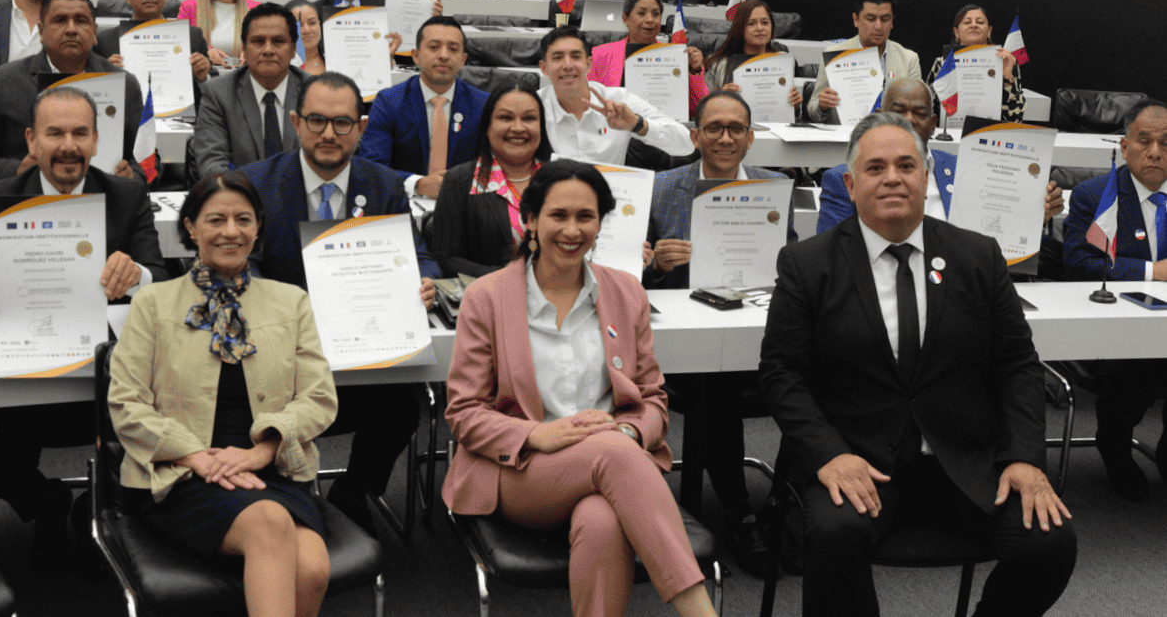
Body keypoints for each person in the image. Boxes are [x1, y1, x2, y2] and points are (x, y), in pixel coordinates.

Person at [759, 112, 1076, 617]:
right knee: (834, 539)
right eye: (875, 167)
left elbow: (1018, 364)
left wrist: (1024, 458)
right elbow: (781, 373)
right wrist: (828, 455)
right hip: (858, 462)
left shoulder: (978, 256)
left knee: (1050, 542)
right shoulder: (808, 264)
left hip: (965, 461)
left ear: (926, 177)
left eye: (906, 165)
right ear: (850, 182)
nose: (892, 178)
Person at [443, 160, 718, 617]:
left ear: (600, 224)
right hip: (521, 472)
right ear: (530, 220)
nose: (572, 230)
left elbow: (652, 398)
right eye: (558, 215)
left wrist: (630, 434)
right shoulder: (487, 297)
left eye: (585, 217)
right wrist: (535, 435)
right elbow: (464, 411)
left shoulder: (626, 291)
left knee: (602, 517)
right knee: (610, 452)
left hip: (611, 464)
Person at [109, 169, 340, 617]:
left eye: (243, 219)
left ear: (258, 229)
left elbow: (319, 397)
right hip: (180, 474)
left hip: (272, 469)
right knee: (271, 527)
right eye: (215, 220)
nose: (230, 231)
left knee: (311, 570)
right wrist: (199, 458)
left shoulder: (290, 301)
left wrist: (258, 454)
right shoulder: (152, 303)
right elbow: (125, 404)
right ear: (191, 228)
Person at [0, 87, 167, 553]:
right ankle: (42, 498)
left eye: (79, 133)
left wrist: (137, 274)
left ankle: (95, 503)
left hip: (101, 372)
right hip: (20, 363)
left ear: (95, 141)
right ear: (31, 141)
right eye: (54, 133)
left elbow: (164, 279)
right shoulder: (0, 195)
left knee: (160, 411)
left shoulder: (126, 195)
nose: (68, 145)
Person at [238, 72, 438, 531]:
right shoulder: (255, 183)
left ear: (362, 129)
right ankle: (283, 496)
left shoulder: (384, 185)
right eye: (317, 120)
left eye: (343, 123)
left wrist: (423, 280)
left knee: (403, 406)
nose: (329, 134)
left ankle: (353, 492)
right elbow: (242, 265)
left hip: (362, 350)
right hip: (284, 357)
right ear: (295, 122)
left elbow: (418, 254)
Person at [642, 91, 794, 573]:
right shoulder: (662, 187)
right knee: (718, 387)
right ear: (695, 135)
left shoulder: (775, 186)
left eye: (735, 129)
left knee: (818, 381)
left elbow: (791, 269)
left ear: (751, 138)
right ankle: (741, 512)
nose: (725, 138)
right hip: (692, 346)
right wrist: (659, 267)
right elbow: (631, 279)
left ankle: (780, 506)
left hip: (760, 331)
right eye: (713, 128)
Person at [1059, 98, 1167, 500]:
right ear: (1125, 147)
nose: (1155, 151)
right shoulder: (1094, 195)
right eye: (1145, 141)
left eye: (1166, 142)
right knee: (1139, 368)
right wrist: (1149, 272)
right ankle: (1115, 445)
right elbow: (1078, 262)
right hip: (1117, 328)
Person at [813, 78, 1066, 235]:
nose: (909, 120)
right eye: (898, 110)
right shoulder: (842, 178)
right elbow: (831, 255)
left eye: (919, 113)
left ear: (933, 124)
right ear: (879, 114)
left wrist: (1032, 215)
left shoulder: (962, 169)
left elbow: (991, 236)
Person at [0, 0, 143, 187]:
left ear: (94, 32)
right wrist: (17, 171)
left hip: (105, 201)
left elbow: (148, 158)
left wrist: (133, 177)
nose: (71, 29)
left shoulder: (125, 83)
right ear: (41, 31)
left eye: (81, 21)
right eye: (60, 20)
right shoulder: (4, 81)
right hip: (28, 203)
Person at [429, 81, 550, 278]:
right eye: (505, 118)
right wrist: (505, 280)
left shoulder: (561, 180)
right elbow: (446, 258)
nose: (518, 128)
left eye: (529, 118)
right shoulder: (459, 181)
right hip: (491, 298)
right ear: (487, 126)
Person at [359, 16, 488, 197]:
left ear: (463, 60)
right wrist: (417, 184)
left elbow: (496, 167)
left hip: (465, 204)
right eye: (434, 47)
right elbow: (371, 167)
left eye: (453, 49)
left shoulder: (483, 105)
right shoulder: (389, 102)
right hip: (403, 203)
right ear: (416, 56)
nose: (443, 55)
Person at [536, 27, 691, 164]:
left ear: (588, 64)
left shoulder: (619, 100)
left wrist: (638, 124)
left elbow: (687, 145)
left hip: (611, 194)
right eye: (557, 58)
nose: (568, 65)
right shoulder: (533, 107)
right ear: (544, 68)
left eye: (576, 57)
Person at [189, 3, 308, 179]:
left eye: (278, 41)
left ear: (293, 49)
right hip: (240, 199)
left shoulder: (315, 92)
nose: (268, 50)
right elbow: (212, 163)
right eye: (258, 41)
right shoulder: (218, 93)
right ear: (243, 48)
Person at [805, 0, 921, 123]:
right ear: (856, 19)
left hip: (891, 138)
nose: (878, 26)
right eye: (871, 19)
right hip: (844, 139)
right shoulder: (835, 56)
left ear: (892, 21)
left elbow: (918, 111)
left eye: (885, 19)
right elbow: (813, 110)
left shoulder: (909, 59)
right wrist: (822, 106)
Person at [586, 0, 709, 116]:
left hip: (661, 129)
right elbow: (588, 101)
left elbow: (701, 109)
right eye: (641, 13)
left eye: (656, 14)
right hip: (613, 128)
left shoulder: (673, 56)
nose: (650, 20)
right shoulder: (600, 54)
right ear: (625, 19)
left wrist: (695, 70)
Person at [94, 0, 212, 83]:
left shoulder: (193, 36)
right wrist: (106, 78)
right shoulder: (104, 42)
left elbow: (209, 87)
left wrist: (203, 77)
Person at [701, 0, 802, 118]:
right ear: (740, 29)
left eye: (765, 22)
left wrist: (795, 107)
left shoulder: (784, 61)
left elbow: (791, 116)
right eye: (751, 23)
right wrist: (721, 99)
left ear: (772, 27)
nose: (760, 28)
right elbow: (702, 113)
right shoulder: (718, 65)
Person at [925, 4, 1025, 122]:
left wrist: (1007, 78)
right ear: (956, 32)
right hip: (949, 134)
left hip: (991, 133)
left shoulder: (1006, 62)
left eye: (980, 22)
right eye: (967, 22)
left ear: (989, 31)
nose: (974, 25)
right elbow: (928, 108)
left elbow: (1015, 118)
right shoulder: (942, 63)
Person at [287, 0, 326, 74]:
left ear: (319, 25)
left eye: (312, 23)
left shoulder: (335, 56)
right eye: (298, 25)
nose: (306, 30)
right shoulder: (281, 65)